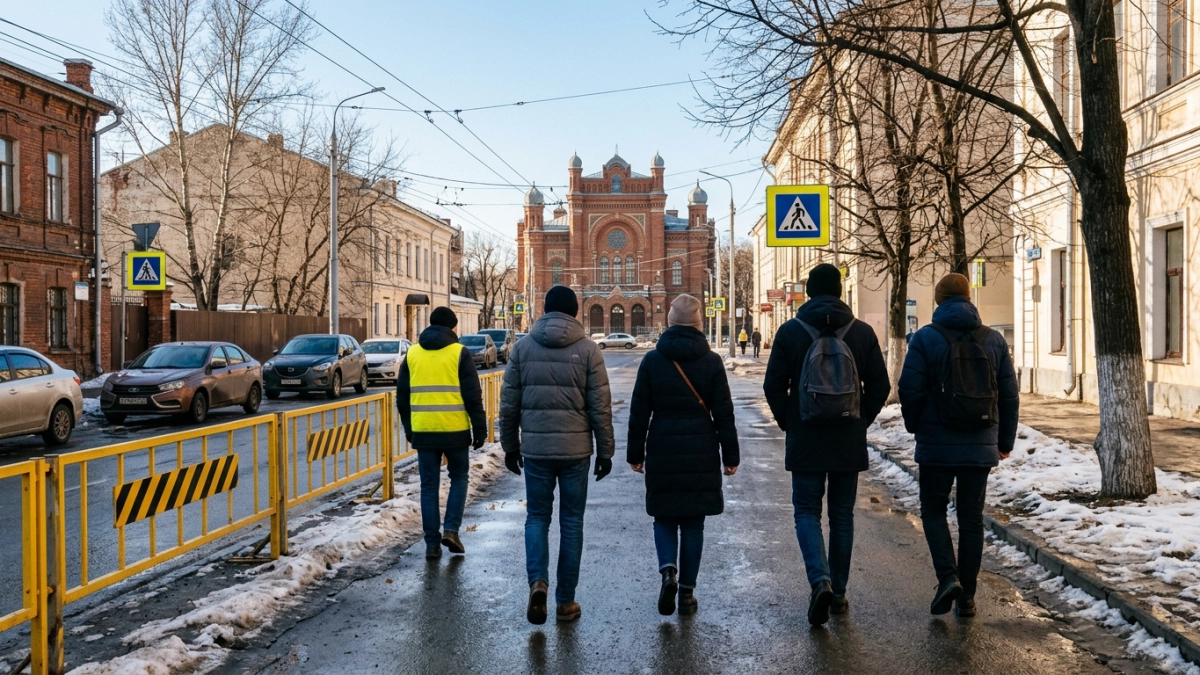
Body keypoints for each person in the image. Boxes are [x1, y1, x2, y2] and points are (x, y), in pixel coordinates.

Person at [763, 263, 890, 626]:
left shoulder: (790, 331)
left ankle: (819, 581)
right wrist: (859, 419)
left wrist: (792, 422)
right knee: (842, 515)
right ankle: (840, 594)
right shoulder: (862, 333)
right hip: (847, 438)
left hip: (805, 438)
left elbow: (773, 386)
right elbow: (880, 387)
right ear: (838, 290)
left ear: (809, 292)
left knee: (806, 511)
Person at [899, 273, 1018, 617]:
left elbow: (910, 389)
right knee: (971, 518)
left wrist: (915, 425)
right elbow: (1009, 395)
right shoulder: (993, 340)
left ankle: (948, 578)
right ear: (969, 299)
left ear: (938, 302)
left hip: (936, 444)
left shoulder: (924, 339)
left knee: (934, 511)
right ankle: (967, 597)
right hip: (980, 444)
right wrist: (1004, 440)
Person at [500, 285, 615, 625]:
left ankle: (538, 583)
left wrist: (509, 445)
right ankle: (565, 602)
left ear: (545, 310)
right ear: (576, 313)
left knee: (537, 517)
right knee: (571, 522)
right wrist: (605, 451)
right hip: (576, 452)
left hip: (536, 450)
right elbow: (600, 407)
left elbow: (508, 405)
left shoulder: (522, 349)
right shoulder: (589, 350)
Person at [627, 295, 739, 617]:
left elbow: (638, 413)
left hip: (662, 447)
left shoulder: (652, 361)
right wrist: (730, 455)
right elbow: (724, 414)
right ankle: (687, 593)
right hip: (701, 450)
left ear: (670, 322)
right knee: (693, 523)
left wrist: (635, 453)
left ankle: (668, 571)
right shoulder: (712, 362)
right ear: (700, 323)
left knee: (663, 515)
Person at [396, 306, 487, 560]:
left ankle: (431, 545)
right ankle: (451, 530)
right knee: (459, 478)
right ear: (451, 327)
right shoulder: (459, 353)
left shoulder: (413, 353)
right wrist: (479, 428)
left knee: (428, 487)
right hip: (455, 429)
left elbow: (402, 397)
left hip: (424, 431)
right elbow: (472, 395)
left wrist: (409, 428)